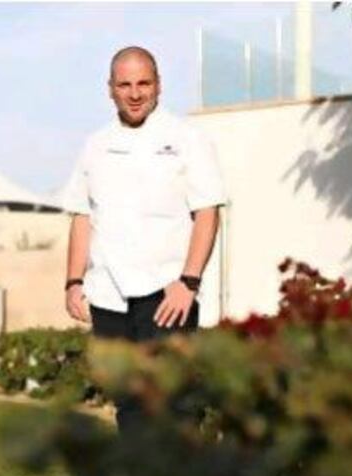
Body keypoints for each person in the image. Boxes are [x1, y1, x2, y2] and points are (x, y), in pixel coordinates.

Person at [60, 46, 226, 433]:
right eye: (125, 85)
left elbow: (207, 212)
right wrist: (73, 281)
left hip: (167, 296)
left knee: (175, 406)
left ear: (159, 86)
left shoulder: (187, 138)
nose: (135, 93)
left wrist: (189, 282)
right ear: (110, 90)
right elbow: (82, 216)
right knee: (129, 407)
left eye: (143, 83)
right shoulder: (95, 145)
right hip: (108, 299)